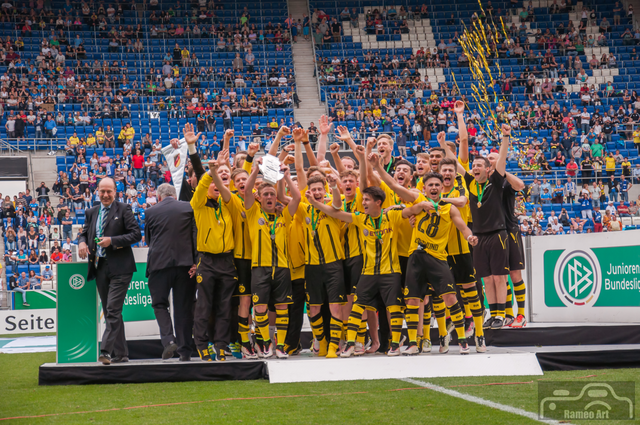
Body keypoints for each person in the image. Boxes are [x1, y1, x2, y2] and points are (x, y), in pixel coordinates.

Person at [78, 178, 142, 365]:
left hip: (121, 268)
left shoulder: (124, 209)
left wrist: (112, 241)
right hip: (100, 267)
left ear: (115, 192)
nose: (105, 195)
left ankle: (106, 351)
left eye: (109, 191)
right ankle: (121, 355)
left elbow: (136, 234)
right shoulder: (91, 212)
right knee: (110, 312)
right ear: (97, 191)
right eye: (102, 191)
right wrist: (81, 242)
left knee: (113, 310)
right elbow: (84, 232)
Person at [463, 124, 511, 329]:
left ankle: (501, 315)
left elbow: (502, 158)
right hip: (479, 237)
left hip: (498, 234)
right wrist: (444, 146)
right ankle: (492, 314)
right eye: (473, 165)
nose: (475, 168)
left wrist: (505, 137)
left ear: (488, 169)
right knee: (487, 279)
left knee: (499, 277)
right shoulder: (471, 184)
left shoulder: (496, 181)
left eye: (479, 165)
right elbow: (456, 163)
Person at [145, 183, 197, 362]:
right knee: (183, 308)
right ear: (175, 195)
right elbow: (194, 236)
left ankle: (168, 340)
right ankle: (185, 351)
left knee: (159, 304)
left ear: (158, 197)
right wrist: (195, 261)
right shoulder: (188, 208)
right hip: (185, 265)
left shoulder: (150, 212)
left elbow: (149, 240)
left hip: (159, 265)